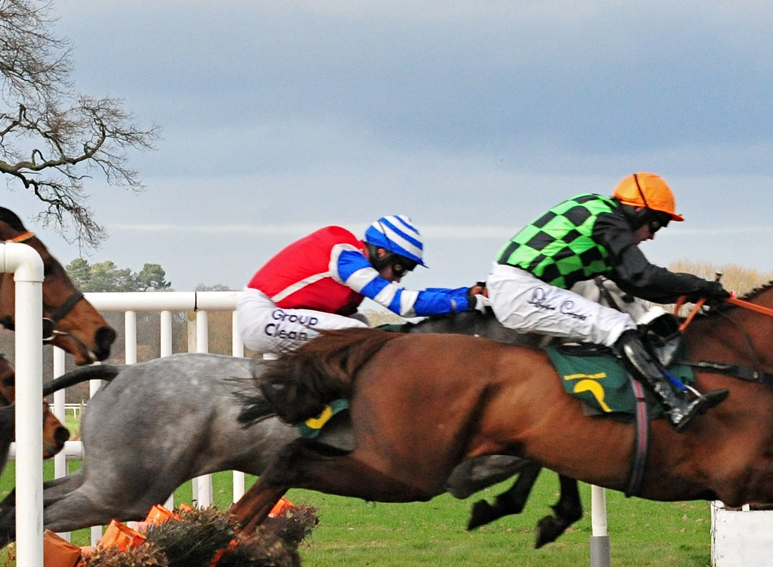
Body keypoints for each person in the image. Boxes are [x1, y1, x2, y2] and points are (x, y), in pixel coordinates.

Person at [487, 173, 731, 431]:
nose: (652, 236)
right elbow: (643, 274)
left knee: (615, 326)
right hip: (520, 289)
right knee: (617, 325)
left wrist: (701, 295)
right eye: (656, 224)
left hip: (523, 287)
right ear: (638, 210)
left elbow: (638, 284)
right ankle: (675, 406)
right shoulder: (605, 217)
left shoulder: (602, 227)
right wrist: (703, 286)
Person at [235, 215, 479, 355]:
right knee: (357, 333)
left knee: (362, 325)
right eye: (399, 268)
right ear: (382, 252)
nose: (399, 277)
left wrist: (465, 293)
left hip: (279, 314)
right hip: (262, 316)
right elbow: (402, 304)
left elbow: (408, 295)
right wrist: (466, 301)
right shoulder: (346, 256)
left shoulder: (354, 259)